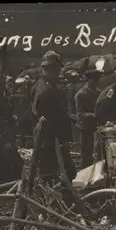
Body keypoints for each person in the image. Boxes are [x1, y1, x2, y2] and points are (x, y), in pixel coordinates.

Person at [31, 50, 76, 184]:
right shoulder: (46, 90)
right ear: (53, 68)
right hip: (49, 138)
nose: (59, 72)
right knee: (55, 173)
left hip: (47, 137)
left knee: (55, 172)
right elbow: (51, 116)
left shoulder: (42, 85)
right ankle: (51, 201)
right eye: (58, 69)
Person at [75, 69, 102, 168]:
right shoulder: (81, 94)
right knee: (86, 153)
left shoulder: (99, 92)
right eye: (94, 80)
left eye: (97, 80)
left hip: (97, 126)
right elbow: (80, 114)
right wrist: (95, 115)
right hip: (86, 127)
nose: (96, 82)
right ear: (89, 80)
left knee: (99, 150)